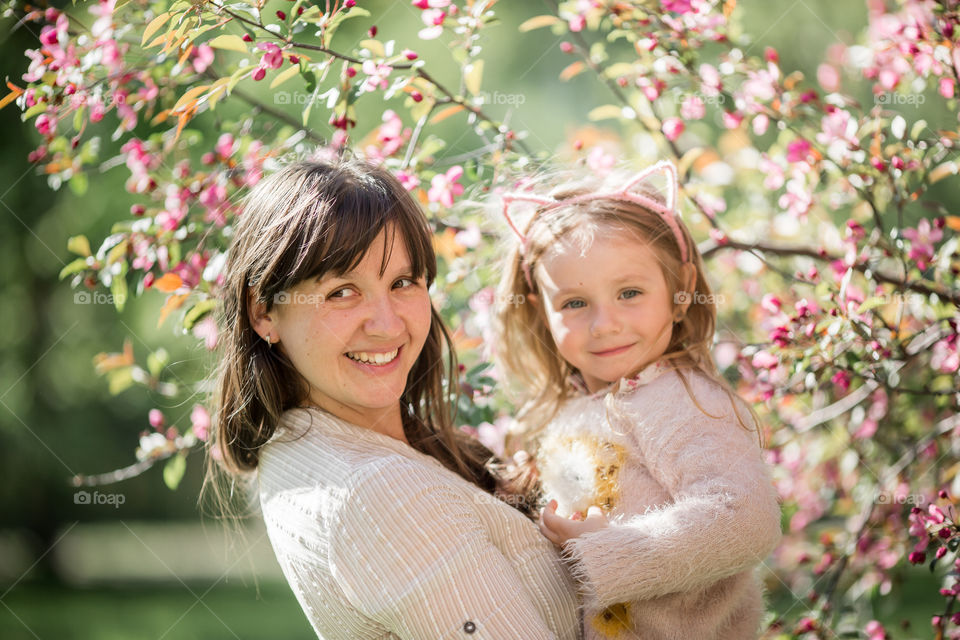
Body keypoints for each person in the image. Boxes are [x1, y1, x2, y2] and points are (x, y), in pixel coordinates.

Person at [207, 158, 580, 639]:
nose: (386, 324)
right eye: (342, 291)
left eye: (403, 283)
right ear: (264, 312)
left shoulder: (299, 448)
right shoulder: (380, 490)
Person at [494, 161, 782, 639]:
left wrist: (620, 547)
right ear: (541, 309)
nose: (604, 323)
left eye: (629, 293)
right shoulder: (572, 407)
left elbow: (745, 518)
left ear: (680, 290)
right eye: (574, 303)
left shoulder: (681, 401)